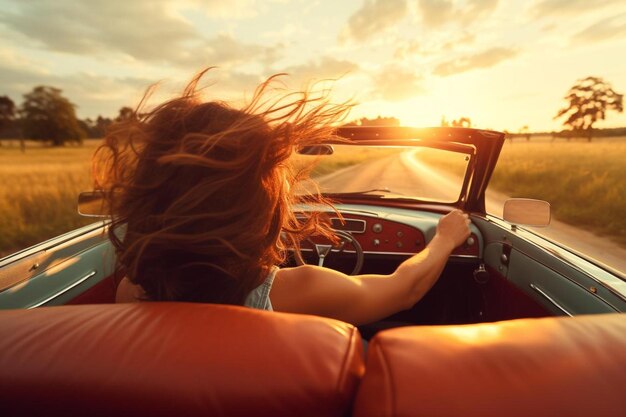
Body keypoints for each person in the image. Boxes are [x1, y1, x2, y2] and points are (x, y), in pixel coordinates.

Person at [97, 70, 470, 326]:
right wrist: (444, 239)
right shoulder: (303, 291)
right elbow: (405, 289)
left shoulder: (129, 292)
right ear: (256, 211)